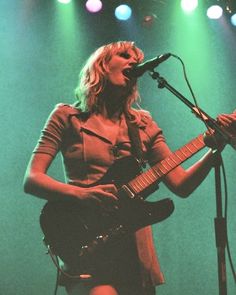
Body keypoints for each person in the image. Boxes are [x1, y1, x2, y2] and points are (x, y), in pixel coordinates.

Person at [23, 41, 236, 295]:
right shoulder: (67, 116)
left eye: (136, 59)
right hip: (87, 235)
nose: (133, 62)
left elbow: (181, 185)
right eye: (124, 56)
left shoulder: (143, 123)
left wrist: (213, 148)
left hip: (134, 242)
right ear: (101, 66)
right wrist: (81, 194)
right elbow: (32, 179)